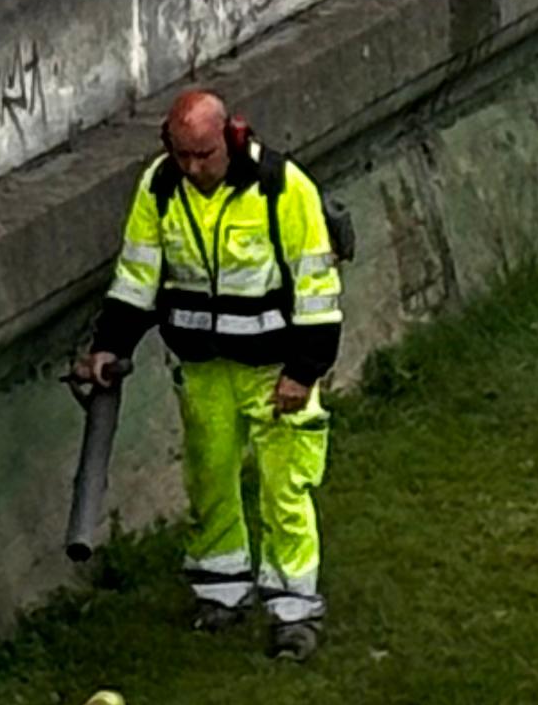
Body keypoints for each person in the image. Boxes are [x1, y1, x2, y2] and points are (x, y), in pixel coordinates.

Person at [75, 88, 345, 657]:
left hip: (276, 370)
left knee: (285, 489)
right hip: (203, 368)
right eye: (182, 156)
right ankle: (220, 591)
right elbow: (138, 277)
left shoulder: (283, 187)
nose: (194, 168)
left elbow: (317, 287)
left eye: (204, 155)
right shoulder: (160, 187)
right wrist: (108, 345)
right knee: (209, 478)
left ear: (232, 137)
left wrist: (304, 370)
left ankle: (293, 610)